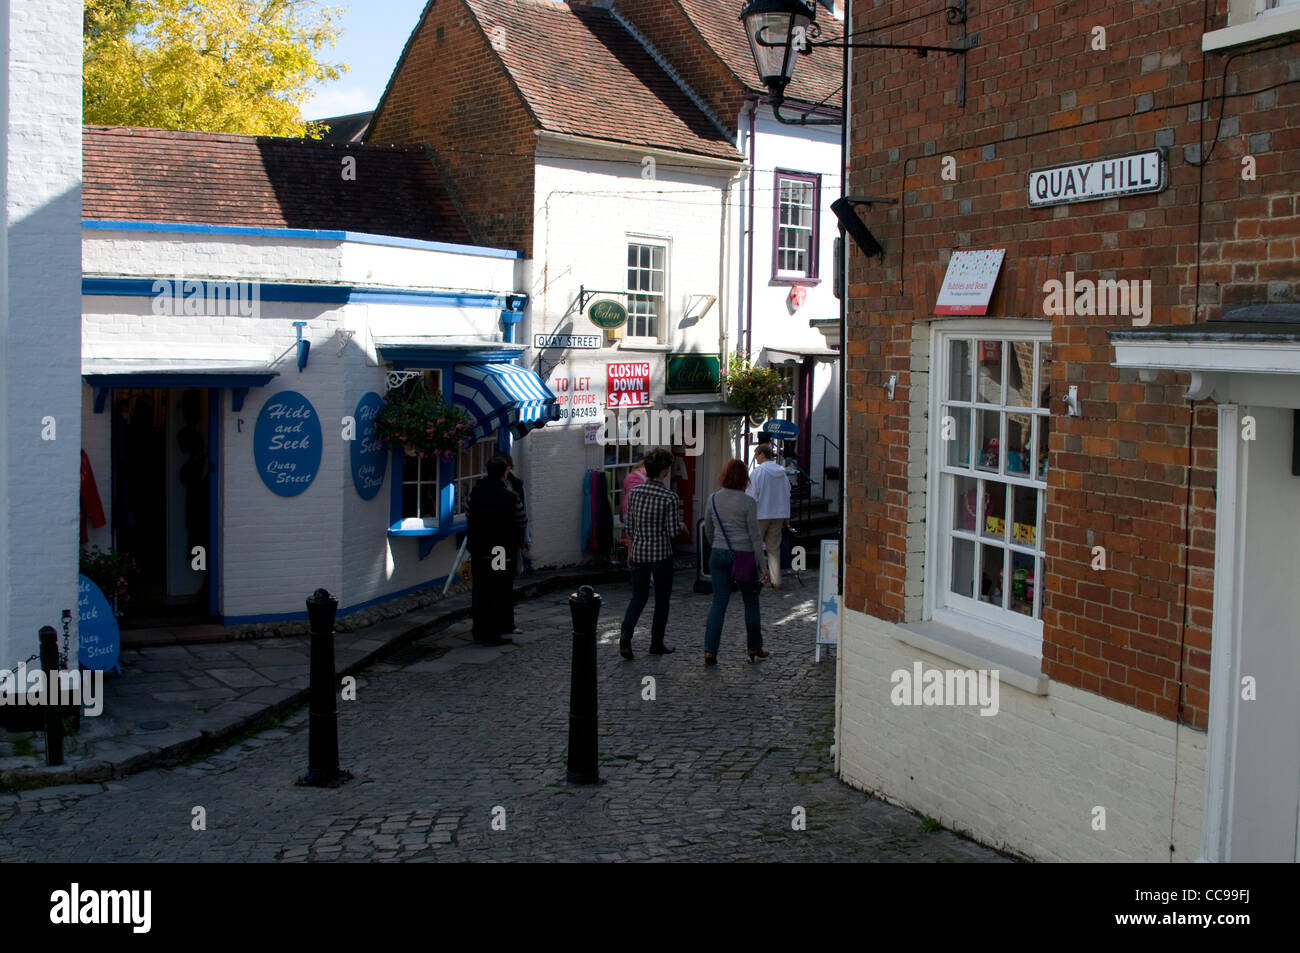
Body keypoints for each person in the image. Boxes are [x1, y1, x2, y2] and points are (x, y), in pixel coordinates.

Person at [703, 459, 770, 665]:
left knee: (718, 603)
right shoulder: (748, 502)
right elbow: (755, 536)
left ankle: (710, 650)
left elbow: (708, 529)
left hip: (718, 553)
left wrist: (716, 545)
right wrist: (763, 565)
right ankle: (754, 646)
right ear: (745, 479)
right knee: (750, 602)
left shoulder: (713, 498)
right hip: (743, 556)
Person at [619, 448, 684, 659]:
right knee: (662, 600)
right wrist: (680, 526)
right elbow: (673, 531)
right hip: (660, 555)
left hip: (638, 553)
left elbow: (629, 526)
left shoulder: (635, 493)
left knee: (638, 598)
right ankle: (656, 642)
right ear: (664, 470)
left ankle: (625, 638)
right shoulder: (669, 497)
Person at [467, 454, 527, 645]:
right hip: (500, 549)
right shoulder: (510, 497)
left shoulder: (475, 494)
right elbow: (522, 520)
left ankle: (480, 628)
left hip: (479, 548)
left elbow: (469, 514)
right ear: (503, 474)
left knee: (481, 588)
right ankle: (495, 629)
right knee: (499, 587)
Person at [747, 444, 791, 589]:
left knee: (755, 546)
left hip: (761, 513)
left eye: (756, 454)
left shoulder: (758, 473)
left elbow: (752, 495)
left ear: (761, 454)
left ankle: (754, 577)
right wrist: (786, 514)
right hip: (778, 513)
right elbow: (787, 493)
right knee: (774, 548)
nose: (755, 457)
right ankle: (776, 580)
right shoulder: (782, 473)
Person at [501, 451, 531, 576]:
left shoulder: (517, 485)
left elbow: (523, 511)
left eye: (508, 469)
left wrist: (526, 537)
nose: (506, 473)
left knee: (511, 570)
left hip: (512, 535)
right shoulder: (488, 487)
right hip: (496, 537)